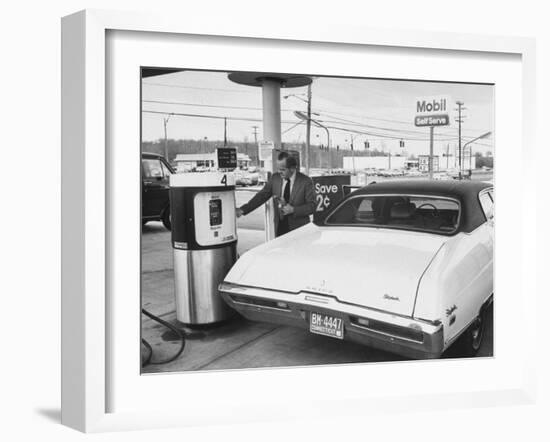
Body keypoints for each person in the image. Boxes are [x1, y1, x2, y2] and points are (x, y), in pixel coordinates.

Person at [236, 151, 315, 237]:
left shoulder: (306, 181)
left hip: (299, 230)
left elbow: (312, 206)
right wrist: (243, 210)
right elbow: (261, 196)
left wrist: (293, 209)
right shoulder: (275, 178)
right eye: (278, 169)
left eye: (282, 169)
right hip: (280, 228)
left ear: (292, 168)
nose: (279, 172)